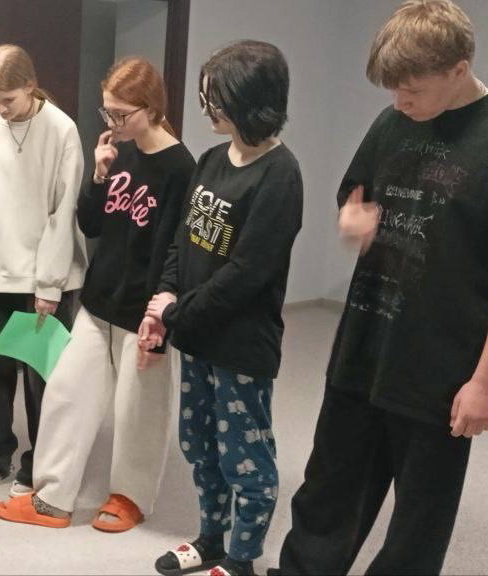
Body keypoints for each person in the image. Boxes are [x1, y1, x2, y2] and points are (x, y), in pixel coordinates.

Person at [270, 2, 488, 575]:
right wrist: (350, 218)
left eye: (412, 90)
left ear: (459, 69)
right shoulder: (391, 124)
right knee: (328, 490)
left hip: (441, 372)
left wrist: (483, 382)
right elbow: (355, 194)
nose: (399, 102)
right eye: (393, 90)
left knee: (419, 521)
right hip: (364, 347)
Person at [0, 56, 196, 531]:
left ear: (152, 108)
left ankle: (128, 497)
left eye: (122, 114)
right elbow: (90, 224)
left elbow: (176, 249)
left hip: (143, 314)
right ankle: (52, 498)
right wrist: (100, 176)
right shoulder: (118, 152)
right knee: (66, 393)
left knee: (138, 411)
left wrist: (160, 314)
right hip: (99, 300)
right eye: (108, 112)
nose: (113, 123)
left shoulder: (181, 167)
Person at [144, 40, 303, 576]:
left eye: (217, 99)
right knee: (199, 445)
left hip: (240, 345)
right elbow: (183, 240)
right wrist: (164, 297)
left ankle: (241, 560)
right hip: (196, 334)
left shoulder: (280, 174)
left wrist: (175, 313)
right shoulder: (212, 159)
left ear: (250, 101)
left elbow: (246, 274)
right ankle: (211, 539)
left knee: (245, 457)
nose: (208, 108)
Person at [0, 44, 86, 496]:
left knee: (41, 380)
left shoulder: (61, 129)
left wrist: (49, 284)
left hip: (44, 278)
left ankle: (41, 465)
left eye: (7, 99)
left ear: (31, 86)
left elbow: (63, 211)